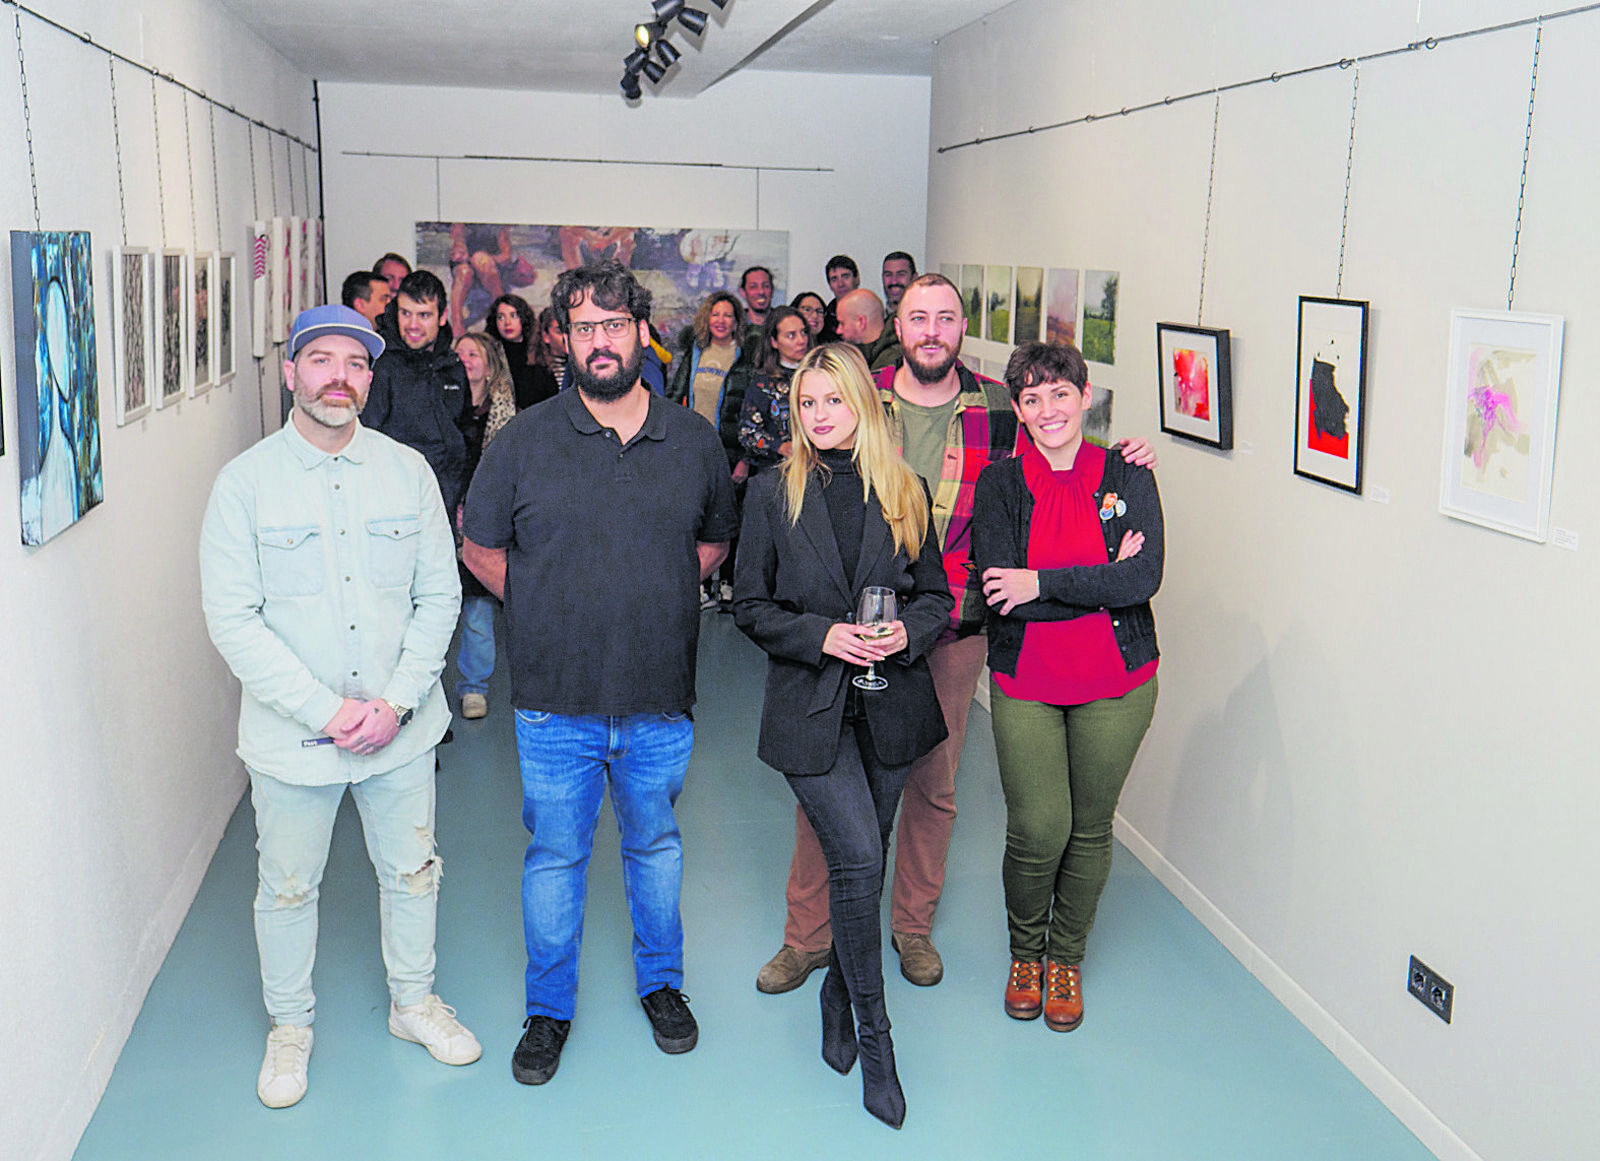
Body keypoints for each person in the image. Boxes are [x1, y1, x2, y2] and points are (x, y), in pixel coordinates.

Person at [754, 274, 1156, 996]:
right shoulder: (853, 391)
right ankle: (806, 936)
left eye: (945, 318)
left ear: (962, 327)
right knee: (828, 790)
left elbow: (1060, 438)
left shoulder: (1002, 407)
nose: (931, 330)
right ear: (897, 327)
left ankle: (910, 927)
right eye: (918, 317)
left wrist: (1128, 458)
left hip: (956, 623)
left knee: (933, 788)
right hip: (850, 628)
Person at [461, 260, 739, 1087]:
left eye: (616, 325)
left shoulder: (691, 440)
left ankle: (662, 986)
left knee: (654, 848)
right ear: (563, 339)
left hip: (658, 696)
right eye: (584, 327)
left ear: (641, 333)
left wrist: (646, 588)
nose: (601, 341)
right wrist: (550, 600)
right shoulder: (522, 443)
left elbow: (712, 544)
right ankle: (547, 1009)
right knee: (555, 855)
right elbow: (481, 548)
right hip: (554, 700)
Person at [199, 304, 480, 1111]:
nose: (338, 377)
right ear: (291, 372)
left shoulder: (406, 472)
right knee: (287, 886)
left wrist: (394, 704)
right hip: (295, 744)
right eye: (321, 360)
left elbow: (439, 595)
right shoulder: (244, 484)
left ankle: (413, 1001)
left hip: (399, 732)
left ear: (371, 377)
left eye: (355, 364)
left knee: (413, 869)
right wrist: (328, 712)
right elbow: (234, 621)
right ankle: (290, 1028)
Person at [734, 343, 951, 1129]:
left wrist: (906, 635)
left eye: (835, 400)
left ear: (865, 403)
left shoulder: (905, 489)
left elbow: (936, 596)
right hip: (810, 709)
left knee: (868, 862)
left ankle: (835, 990)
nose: (821, 415)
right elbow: (748, 604)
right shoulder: (770, 495)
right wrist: (822, 635)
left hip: (892, 707)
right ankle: (878, 1042)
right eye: (809, 403)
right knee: (858, 857)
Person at [970, 341, 1162, 1033]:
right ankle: (1026, 952)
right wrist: (1097, 580)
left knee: (1088, 827)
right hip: (1028, 677)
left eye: (1060, 393)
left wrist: (1042, 583)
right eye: (1031, 397)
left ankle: (1065, 957)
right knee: (1037, 828)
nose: (1048, 409)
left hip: (1118, 679)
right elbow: (999, 592)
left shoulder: (1129, 473)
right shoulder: (999, 485)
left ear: (1086, 396)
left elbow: (1142, 581)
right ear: (1017, 409)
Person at [363, 270, 472, 517]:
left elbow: (465, 432)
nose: (413, 325)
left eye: (424, 315)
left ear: (442, 316)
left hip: (445, 504)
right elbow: (367, 438)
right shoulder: (380, 365)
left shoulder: (453, 366)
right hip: (394, 509)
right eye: (405, 313)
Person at [451, 331, 518, 720]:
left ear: (490, 363)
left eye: (473, 353)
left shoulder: (505, 409)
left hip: (484, 517)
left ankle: (474, 687)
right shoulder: (440, 403)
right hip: (442, 512)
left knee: (477, 607)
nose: (465, 359)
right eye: (458, 353)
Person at [736, 306, 811, 478]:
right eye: (791, 335)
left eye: (804, 332)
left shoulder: (820, 375)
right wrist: (779, 446)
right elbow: (747, 433)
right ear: (774, 341)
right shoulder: (763, 384)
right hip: (777, 475)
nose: (801, 340)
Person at [486, 293, 558, 410]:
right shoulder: (490, 354)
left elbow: (552, 398)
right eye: (501, 317)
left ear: (523, 318)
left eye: (513, 316)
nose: (507, 323)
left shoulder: (537, 350)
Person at [836, 288, 902, 372]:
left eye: (842, 323)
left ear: (861, 322)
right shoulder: (870, 356)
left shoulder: (890, 362)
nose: (838, 330)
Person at [820, 254, 859, 342]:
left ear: (857, 279)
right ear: (830, 285)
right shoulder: (824, 320)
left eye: (845, 277)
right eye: (834, 279)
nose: (840, 284)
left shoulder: (872, 312)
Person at [739, 265, 775, 338]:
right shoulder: (734, 325)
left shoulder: (783, 323)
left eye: (766, 286)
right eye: (753, 287)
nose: (761, 292)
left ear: (772, 291)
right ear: (743, 292)